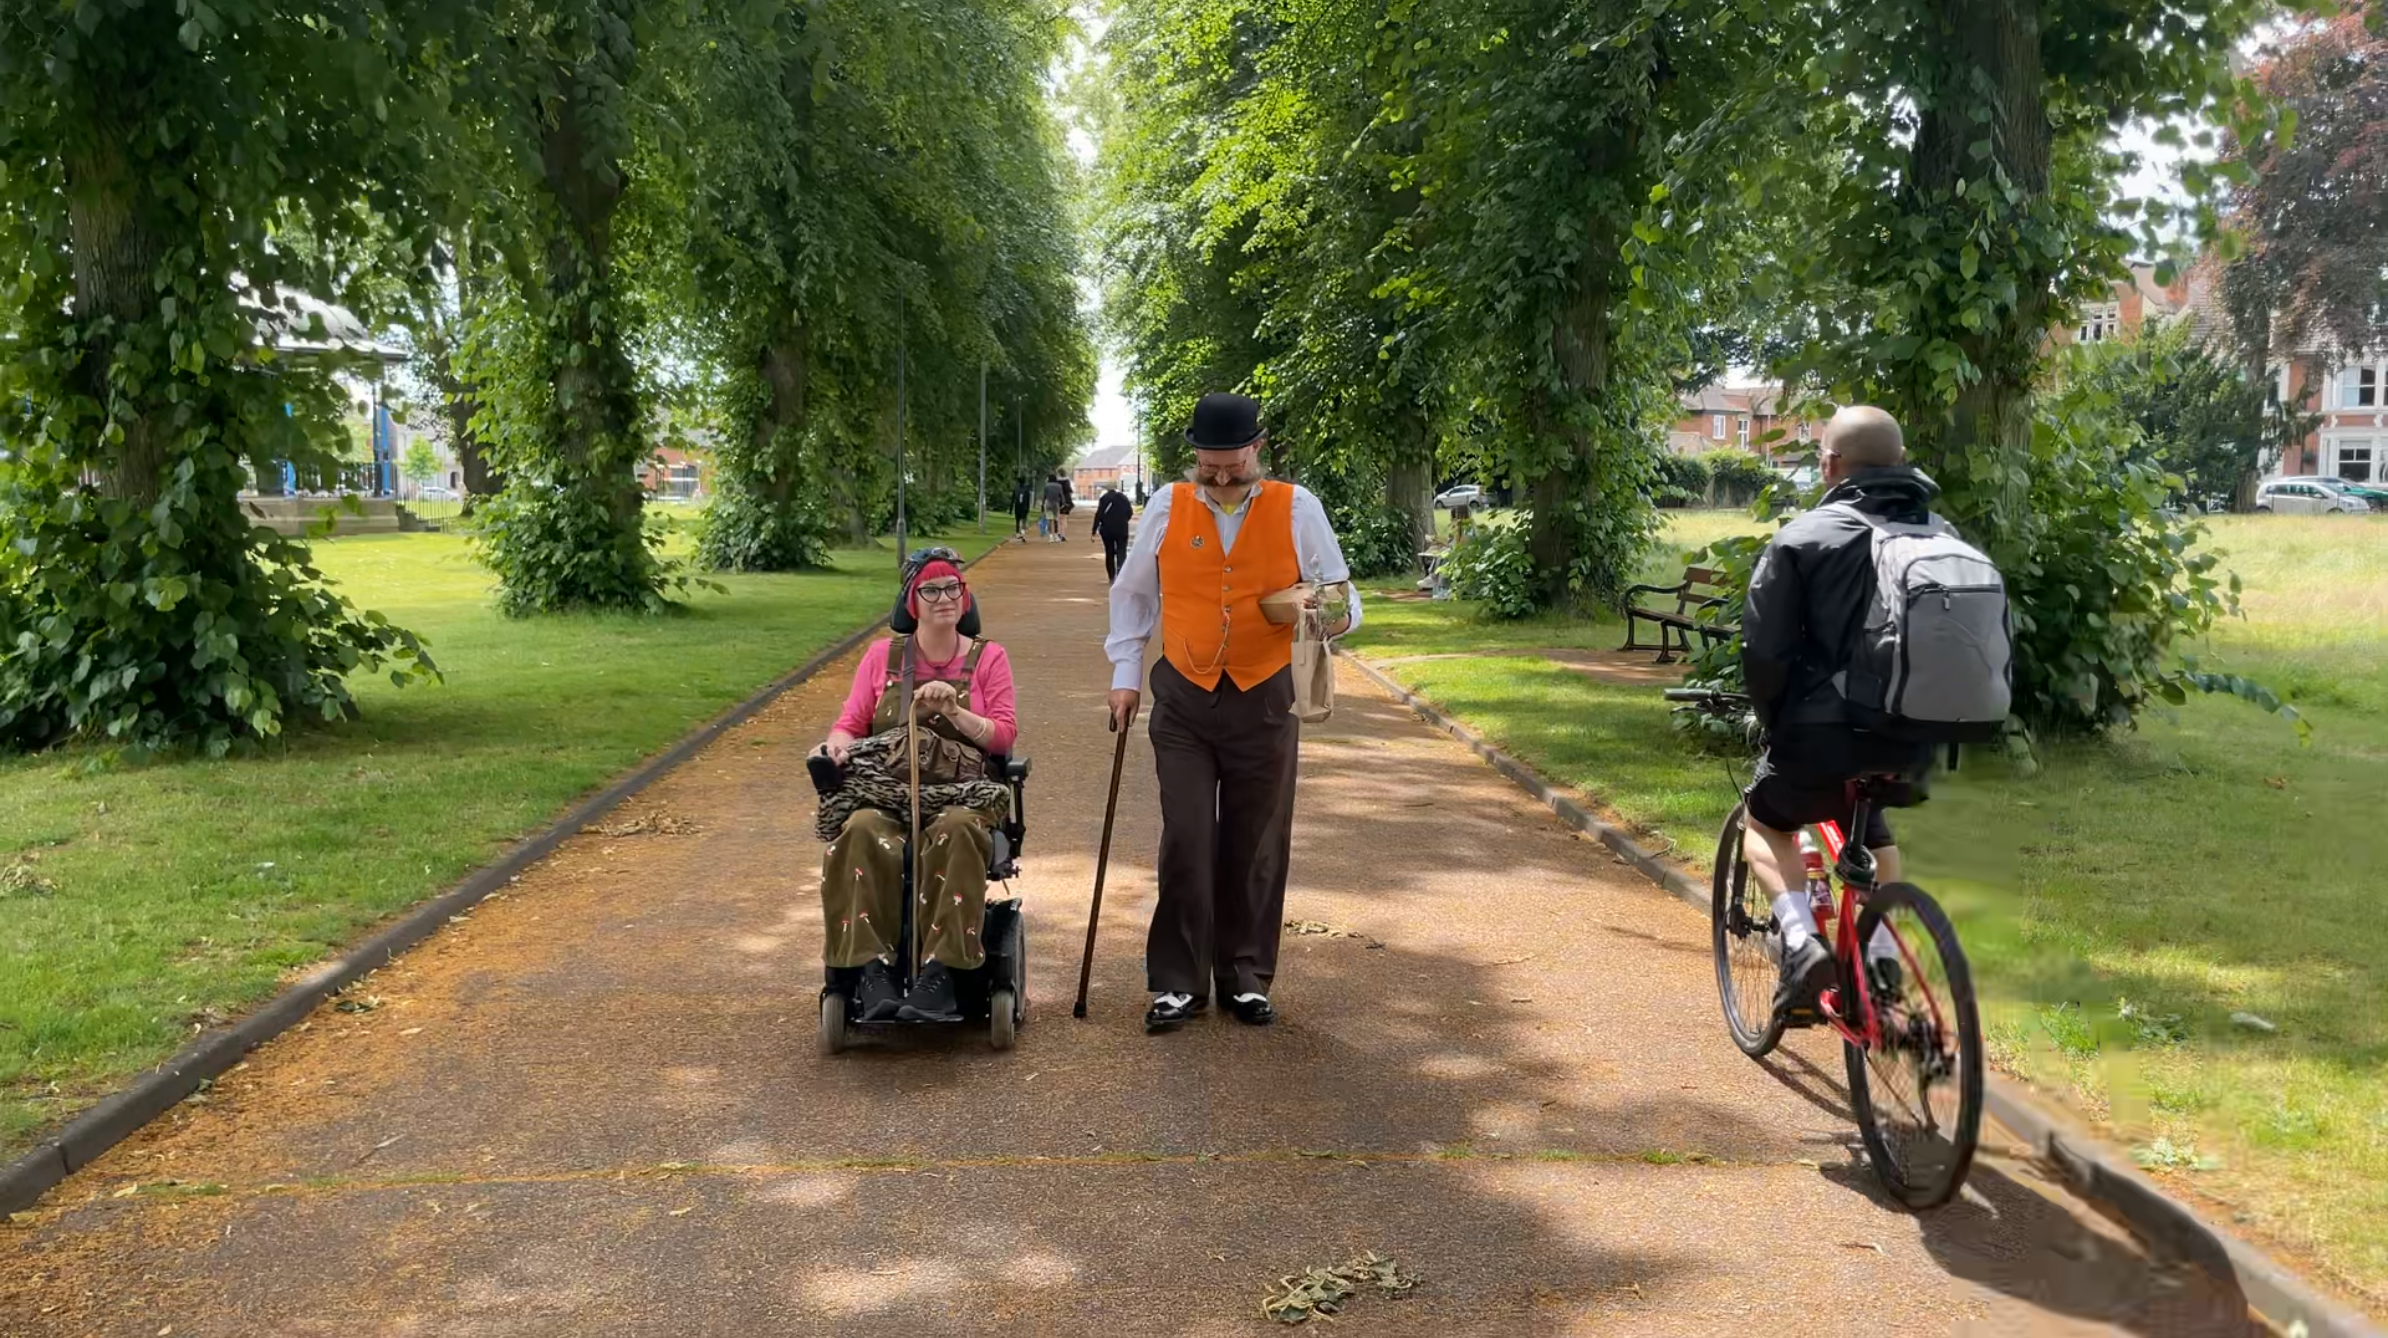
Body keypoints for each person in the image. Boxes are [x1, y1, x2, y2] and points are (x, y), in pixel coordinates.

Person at [1105, 392, 1360, 1031]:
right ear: (1195, 454)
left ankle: (1245, 976)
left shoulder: (1298, 508)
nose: (1220, 476)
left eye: (1232, 464)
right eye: (1208, 465)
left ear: (1257, 449)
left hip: (1266, 695)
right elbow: (1133, 595)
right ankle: (1177, 982)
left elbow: (1346, 600)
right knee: (1187, 838)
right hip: (1184, 696)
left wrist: (1322, 615)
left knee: (1256, 842)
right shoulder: (1167, 505)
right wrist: (1125, 676)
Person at [1738, 406, 1939, 1020]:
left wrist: (1771, 720)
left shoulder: (1802, 538)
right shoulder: (1943, 537)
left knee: (1765, 817)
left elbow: (1765, 649)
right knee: (1874, 826)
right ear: (1902, 465)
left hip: (1823, 735)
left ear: (1829, 466)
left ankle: (1801, 945)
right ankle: (1881, 960)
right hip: (1917, 740)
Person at [811, 551, 1019, 1023]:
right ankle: (870, 969)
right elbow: (849, 723)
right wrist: (838, 747)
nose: (944, 598)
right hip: (886, 790)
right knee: (861, 828)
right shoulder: (880, 658)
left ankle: (941, 973)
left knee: (958, 830)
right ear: (911, 601)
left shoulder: (989, 657)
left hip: (964, 793)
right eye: (931, 589)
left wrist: (954, 712)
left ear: (965, 597)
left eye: (953, 588)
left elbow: (1004, 735)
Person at [1093, 483, 1134, 582]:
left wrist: (1094, 530)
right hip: (1122, 528)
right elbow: (1130, 512)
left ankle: (1111, 576)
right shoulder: (1123, 498)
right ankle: (1121, 573)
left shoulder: (1104, 498)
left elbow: (1099, 514)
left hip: (1107, 529)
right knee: (1122, 550)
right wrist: (1124, 520)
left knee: (1109, 551)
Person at [1042, 472, 1069, 542]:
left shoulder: (1046, 486)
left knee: (1049, 520)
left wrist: (1042, 504)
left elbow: (1044, 496)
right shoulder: (1059, 486)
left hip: (1048, 503)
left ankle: (1050, 536)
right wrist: (1063, 503)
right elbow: (1061, 496)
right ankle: (1056, 535)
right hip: (1055, 504)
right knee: (1056, 519)